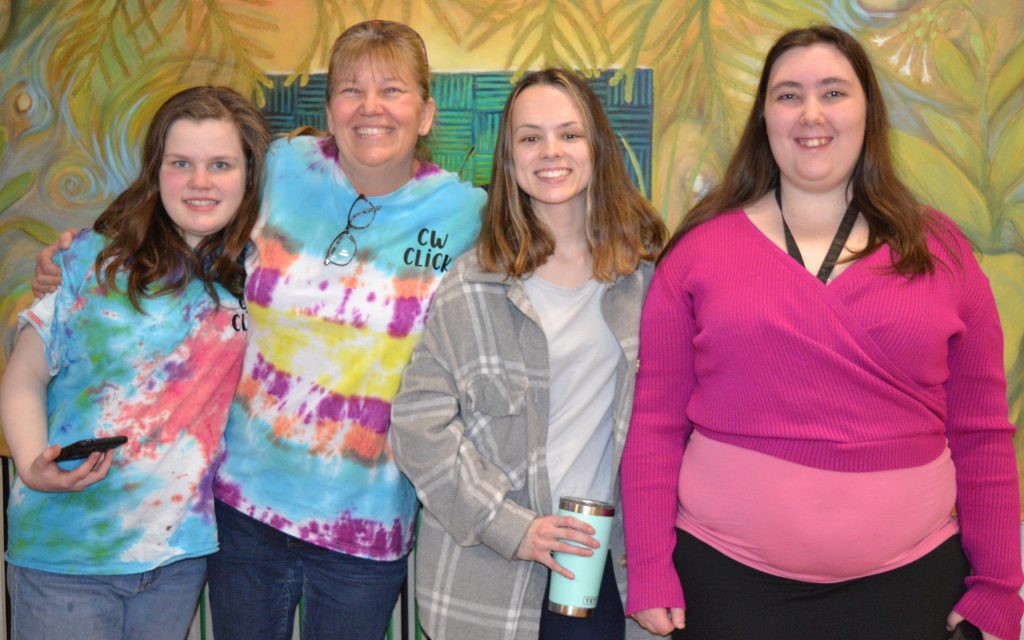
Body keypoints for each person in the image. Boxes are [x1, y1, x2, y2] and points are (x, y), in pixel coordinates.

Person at [31, 20, 485, 640]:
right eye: (351, 90)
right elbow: (182, 204)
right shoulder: (282, 169)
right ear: (329, 111)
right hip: (243, 511)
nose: (370, 107)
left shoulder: (467, 214)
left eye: (392, 90)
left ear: (427, 113)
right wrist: (80, 255)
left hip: (366, 525)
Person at [620, 25, 1022, 640]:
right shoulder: (698, 252)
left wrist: (998, 587)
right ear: (764, 116)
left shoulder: (944, 252)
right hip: (725, 587)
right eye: (788, 95)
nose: (811, 114)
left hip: (909, 590)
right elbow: (656, 424)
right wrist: (650, 568)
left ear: (868, 111)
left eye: (833, 92)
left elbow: (982, 432)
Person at [390, 67, 668, 640]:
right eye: (530, 137)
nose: (550, 152)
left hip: (603, 569)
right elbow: (417, 427)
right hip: (490, 579)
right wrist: (507, 525)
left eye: (569, 134)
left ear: (597, 147)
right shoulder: (472, 285)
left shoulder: (643, 281)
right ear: (510, 157)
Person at [1, 85, 271, 640]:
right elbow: (24, 374)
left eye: (220, 164)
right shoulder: (90, 260)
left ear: (248, 177)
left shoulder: (259, 279)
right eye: (181, 163)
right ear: (156, 171)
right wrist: (31, 463)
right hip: (65, 554)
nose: (200, 181)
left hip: (177, 559)